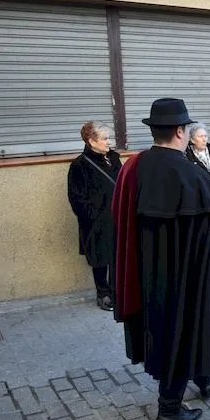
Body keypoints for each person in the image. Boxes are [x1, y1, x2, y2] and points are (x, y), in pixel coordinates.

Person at [112, 98, 210, 420]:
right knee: (183, 330)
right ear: (181, 132)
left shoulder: (133, 167)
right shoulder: (192, 175)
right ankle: (169, 409)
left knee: (167, 330)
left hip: (147, 273)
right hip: (185, 277)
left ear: (154, 130)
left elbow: (119, 219)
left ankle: (205, 376)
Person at [67, 121, 122, 311]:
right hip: (97, 222)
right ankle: (103, 294)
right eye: (105, 139)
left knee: (117, 256)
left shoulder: (113, 157)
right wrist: (94, 217)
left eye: (109, 138)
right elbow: (76, 197)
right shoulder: (79, 165)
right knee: (100, 258)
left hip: (117, 217)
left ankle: (117, 291)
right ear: (91, 141)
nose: (109, 142)